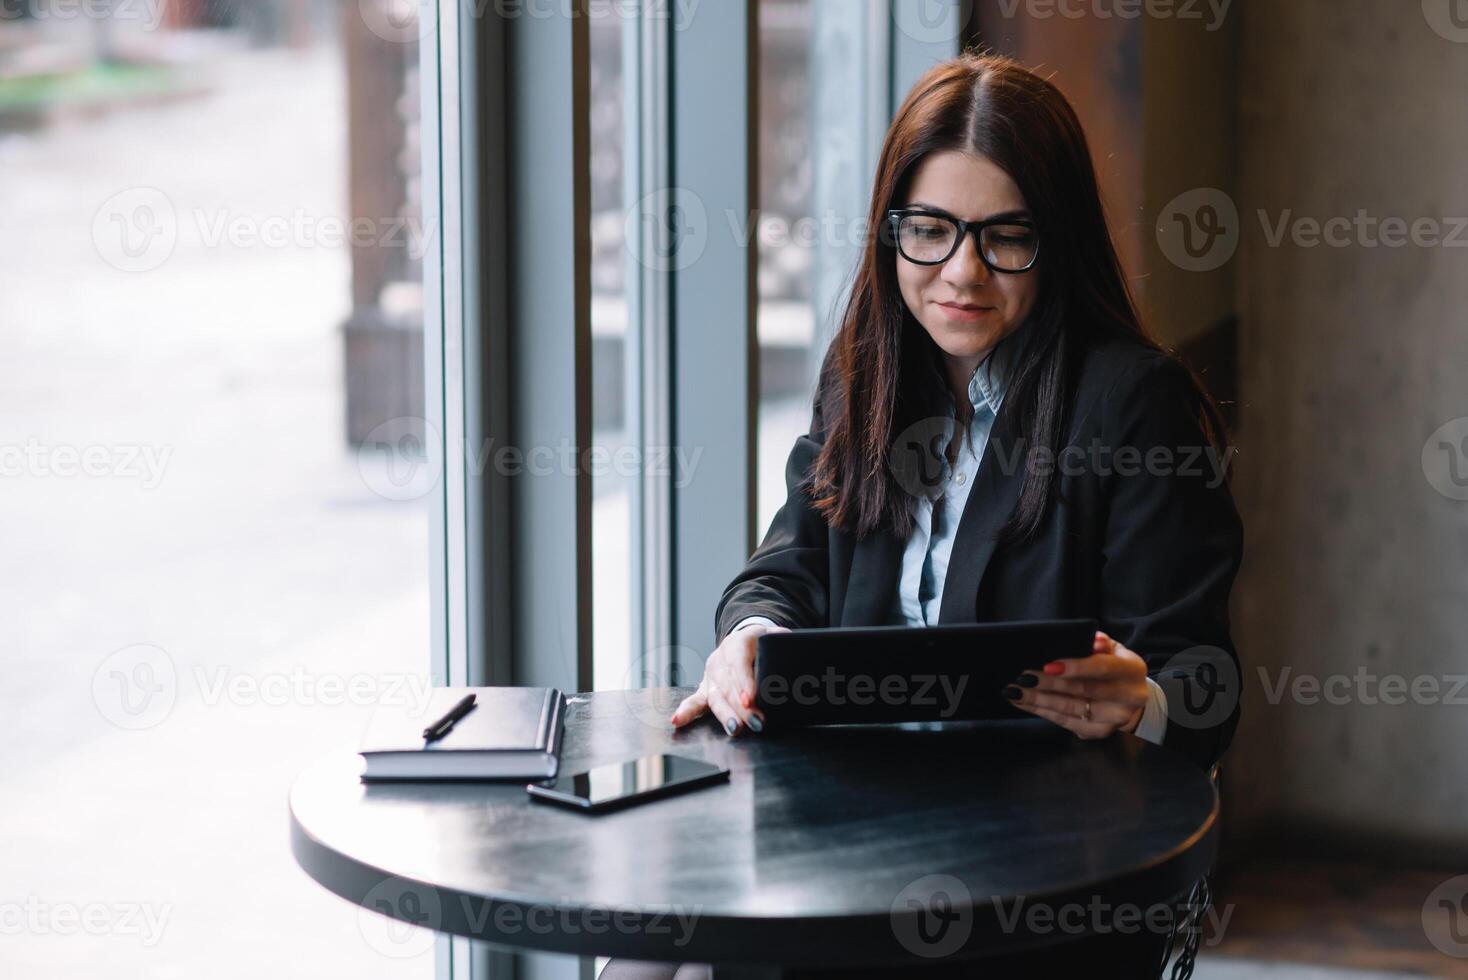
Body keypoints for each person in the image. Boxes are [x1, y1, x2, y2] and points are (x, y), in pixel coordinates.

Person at [653, 51, 1243, 978]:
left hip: (1039, 873)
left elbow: (1205, 679)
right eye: (929, 230)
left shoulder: (1132, 403)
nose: (961, 272)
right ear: (893, 233)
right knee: (645, 960)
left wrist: (1147, 702)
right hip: (851, 836)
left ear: (1057, 240)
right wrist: (752, 636)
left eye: (1006, 236)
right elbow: (789, 566)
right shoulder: (866, 371)